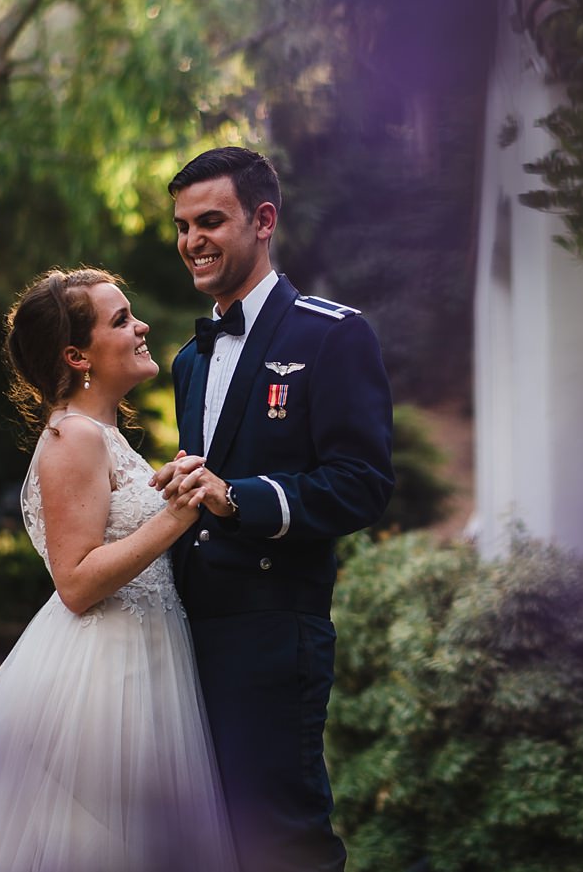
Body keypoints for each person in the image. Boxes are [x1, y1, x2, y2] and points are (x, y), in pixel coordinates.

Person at [0, 267, 238, 872]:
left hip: (148, 660)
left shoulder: (102, 433)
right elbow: (75, 582)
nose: (141, 326)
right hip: (106, 680)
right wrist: (176, 516)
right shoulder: (73, 436)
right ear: (78, 356)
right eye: (122, 320)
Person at [150, 146, 395, 871]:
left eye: (210, 220)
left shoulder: (331, 334)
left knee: (283, 842)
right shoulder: (190, 361)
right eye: (182, 224)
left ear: (263, 220)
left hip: (273, 630)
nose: (191, 239)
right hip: (187, 632)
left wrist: (240, 498)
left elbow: (363, 481)